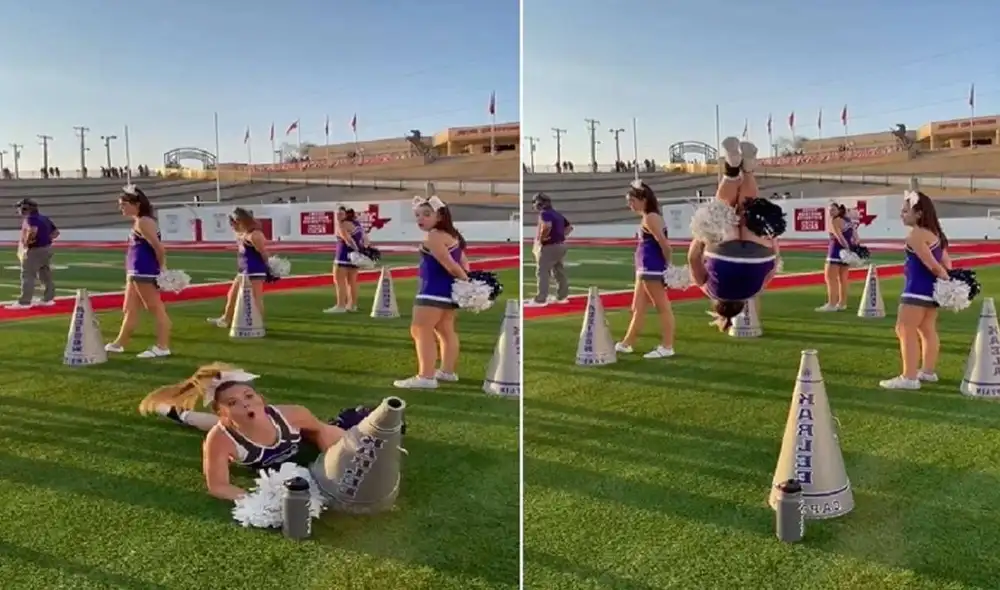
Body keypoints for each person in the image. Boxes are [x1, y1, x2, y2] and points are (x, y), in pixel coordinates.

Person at [137, 363, 349, 500]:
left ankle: (181, 413)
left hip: (310, 445)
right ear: (222, 412)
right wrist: (257, 501)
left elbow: (321, 431)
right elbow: (218, 485)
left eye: (249, 396)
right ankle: (175, 412)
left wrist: (332, 473)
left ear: (261, 399)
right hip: (232, 430)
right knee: (206, 424)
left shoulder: (293, 414)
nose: (246, 404)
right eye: (233, 402)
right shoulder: (219, 439)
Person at [687, 138, 781, 331]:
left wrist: (772, 240)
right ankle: (731, 169)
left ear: (740, 307)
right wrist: (702, 234)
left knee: (750, 207)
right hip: (722, 255)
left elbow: (772, 269)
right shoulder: (710, 290)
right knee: (722, 208)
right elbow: (693, 258)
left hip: (759, 256)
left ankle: (747, 169)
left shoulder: (754, 292)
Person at [394, 195, 470, 390]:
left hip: (433, 291)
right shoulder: (453, 236)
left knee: (420, 329)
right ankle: (447, 371)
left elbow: (449, 263)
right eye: (418, 215)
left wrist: (467, 282)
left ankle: (426, 376)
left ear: (440, 216)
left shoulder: (434, 236)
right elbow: (464, 263)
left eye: (427, 214)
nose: (421, 219)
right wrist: (464, 282)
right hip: (447, 291)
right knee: (445, 330)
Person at [879, 191, 951, 390]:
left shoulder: (915, 235)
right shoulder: (936, 235)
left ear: (918, 214)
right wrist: (948, 282)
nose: (902, 215)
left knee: (904, 329)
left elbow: (933, 265)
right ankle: (928, 371)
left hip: (916, 290)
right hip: (931, 292)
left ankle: (909, 377)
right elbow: (947, 263)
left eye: (905, 211)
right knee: (927, 329)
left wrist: (948, 280)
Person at [105, 185, 173, 358]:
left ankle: (163, 346)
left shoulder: (144, 222)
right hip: (135, 272)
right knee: (129, 308)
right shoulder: (140, 221)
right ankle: (120, 342)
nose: (121, 208)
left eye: (123, 204)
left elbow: (159, 248)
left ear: (136, 204)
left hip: (144, 272)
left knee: (156, 308)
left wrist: (162, 269)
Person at [615, 181, 676, 358]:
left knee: (662, 307)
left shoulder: (651, 218)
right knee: (637, 307)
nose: (630, 205)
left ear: (643, 199)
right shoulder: (648, 217)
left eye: (632, 200)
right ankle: (627, 343)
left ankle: (667, 346)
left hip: (652, 268)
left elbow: (666, 246)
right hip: (644, 268)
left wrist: (668, 267)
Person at [207, 208, 272, 328]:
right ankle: (226, 319)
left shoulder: (254, 235)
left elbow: (263, 253)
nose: (232, 226)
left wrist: (269, 267)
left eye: (234, 222)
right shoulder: (244, 233)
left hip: (254, 271)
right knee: (232, 294)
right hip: (243, 271)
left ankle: (259, 323)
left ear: (241, 221)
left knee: (256, 298)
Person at [6, 199, 59, 310]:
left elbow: (32, 231)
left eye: (20, 207)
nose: (19, 210)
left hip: (34, 250)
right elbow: (55, 233)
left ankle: (24, 301)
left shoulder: (30, 219)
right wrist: (45, 240)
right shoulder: (44, 218)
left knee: (28, 275)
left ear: (26, 208)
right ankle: (48, 298)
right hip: (46, 249)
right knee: (45, 274)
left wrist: (27, 245)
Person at [526, 193, 572, 307]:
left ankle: (541, 298)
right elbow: (569, 227)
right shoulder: (557, 214)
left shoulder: (545, 214)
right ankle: (562, 296)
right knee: (559, 271)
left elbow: (547, 226)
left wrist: (541, 240)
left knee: (542, 272)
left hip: (549, 246)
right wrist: (560, 236)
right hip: (560, 245)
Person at [325, 207, 365, 314]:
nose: (338, 216)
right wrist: (361, 252)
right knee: (352, 282)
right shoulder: (357, 224)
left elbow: (348, 240)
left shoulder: (342, 225)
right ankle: (352, 305)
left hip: (342, 257)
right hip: (354, 259)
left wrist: (357, 249)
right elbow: (365, 239)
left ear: (346, 215)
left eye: (341, 214)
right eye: (337, 214)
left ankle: (340, 305)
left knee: (339, 281)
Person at [816, 202, 854, 312]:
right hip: (846, 253)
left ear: (838, 210)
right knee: (843, 279)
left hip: (836, 251)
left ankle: (831, 304)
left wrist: (847, 248)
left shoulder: (834, 221)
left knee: (830, 278)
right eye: (829, 210)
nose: (830, 212)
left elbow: (839, 237)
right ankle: (842, 303)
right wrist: (851, 250)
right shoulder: (847, 220)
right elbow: (855, 237)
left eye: (833, 209)